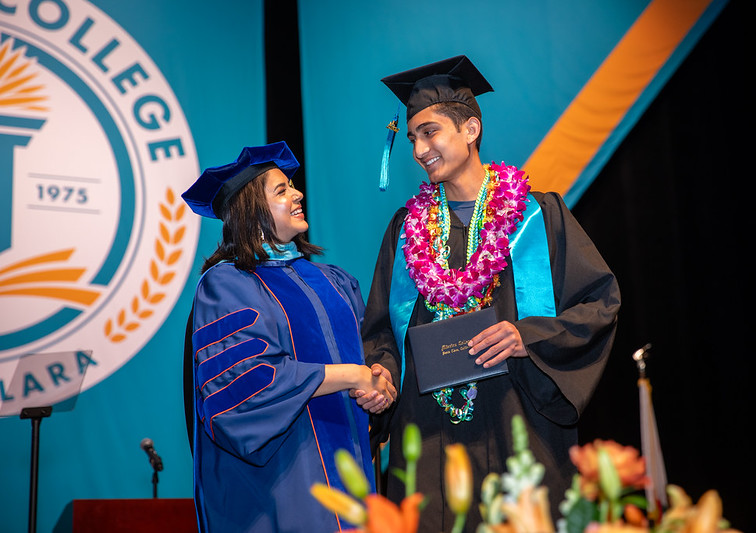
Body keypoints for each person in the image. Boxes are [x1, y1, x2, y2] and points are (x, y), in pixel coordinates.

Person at [360, 55, 621, 532]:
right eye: (413, 137)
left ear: (470, 129)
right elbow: (380, 331)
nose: (419, 149)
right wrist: (381, 371)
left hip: (517, 423)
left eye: (431, 131)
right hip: (429, 435)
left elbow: (598, 305)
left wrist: (528, 337)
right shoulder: (405, 231)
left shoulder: (537, 218)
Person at [181, 141, 396, 533]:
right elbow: (245, 389)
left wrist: (379, 384)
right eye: (281, 190)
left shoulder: (335, 280)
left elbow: (368, 359)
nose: (297, 194)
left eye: (292, 186)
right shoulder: (227, 284)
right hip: (284, 482)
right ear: (252, 211)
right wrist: (352, 376)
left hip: (354, 472)